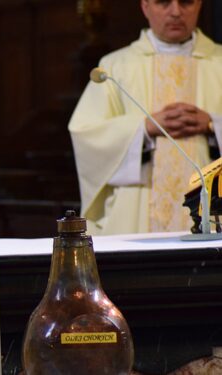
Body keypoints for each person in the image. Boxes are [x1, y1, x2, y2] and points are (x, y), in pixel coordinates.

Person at [68, 0, 222, 235]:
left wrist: (213, 124)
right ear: (145, 6)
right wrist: (144, 127)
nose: (176, 11)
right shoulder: (114, 66)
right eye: (163, 2)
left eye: (186, 2)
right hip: (136, 214)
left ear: (200, 5)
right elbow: (85, 133)